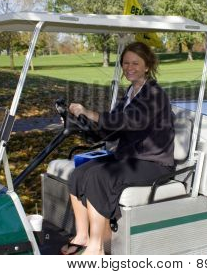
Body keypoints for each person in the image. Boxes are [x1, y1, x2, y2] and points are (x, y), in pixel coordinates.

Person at [61, 42, 175, 255]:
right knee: (78, 173)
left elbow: (130, 121)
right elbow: (113, 127)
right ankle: (82, 235)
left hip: (153, 162)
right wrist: (89, 127)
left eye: (135, 63)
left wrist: (92, 113)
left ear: (147, 66)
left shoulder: (154, 94)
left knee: (100, 176)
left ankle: (97, 247)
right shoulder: (131, 92)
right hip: (129, 157)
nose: (129, 67)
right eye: (125, 63)